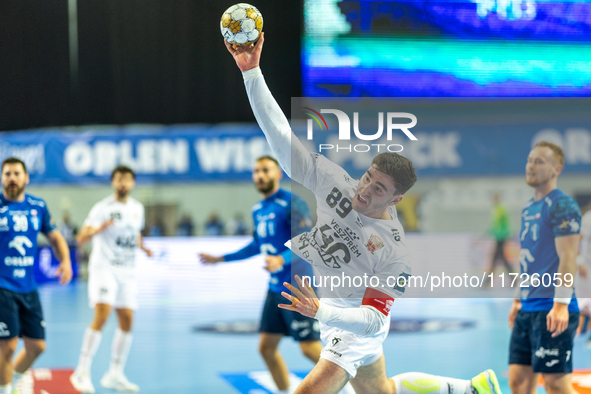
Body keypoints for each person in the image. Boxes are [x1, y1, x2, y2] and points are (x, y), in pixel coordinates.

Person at [224, 34, 502, 394]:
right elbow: (280, 136)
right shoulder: (335, 182)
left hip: (355, 327)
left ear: (396, 200)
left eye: (379, 189)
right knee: (382, 391)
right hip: (330, 313)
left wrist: (320, 311)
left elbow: (372, 321)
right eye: (368, 177)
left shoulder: (394, 251)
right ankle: (471, 389)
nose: (365, 190)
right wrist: (252, 73)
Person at [200, 156, 323, 394]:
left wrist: (281, 259)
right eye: (256, 171)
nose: (260, 175)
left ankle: (351, 386)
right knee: (266, 348)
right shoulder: (257, 210)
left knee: (309, 349)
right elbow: (256, 245)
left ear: (278, 175)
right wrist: (221, 259)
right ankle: (285, 391)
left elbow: (306, 242)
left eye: (265, 170)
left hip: (298, 287)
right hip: (275, 288)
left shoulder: (292, 203)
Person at [70, 165, 152, 393]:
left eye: (127, 179)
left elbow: (136, 233)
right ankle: (81, 371)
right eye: (118, 179)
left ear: (133, 183)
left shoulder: (137, 208)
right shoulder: (103, 208)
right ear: (113, 183)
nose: (123, 183)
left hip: (128, 271)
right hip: (104, 268)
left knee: (127, 319)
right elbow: (80, 238)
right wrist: (99, 228)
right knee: (103, 314)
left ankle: (114, 374)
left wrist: (144, 247)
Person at [507, 142, 582, 394]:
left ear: (556, 169)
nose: (531, 166)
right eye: (529, 160)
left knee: (555, 384)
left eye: (539, 161)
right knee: (518, 381)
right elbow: (530, 259)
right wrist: (518, 299)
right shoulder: (529, 208)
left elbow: (568, 256)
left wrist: (560, 304)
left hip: (551, 308)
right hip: (527, 308)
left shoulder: (563, 205)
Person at [0, 157, 73, 394]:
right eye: (7, 174)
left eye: (16, 173)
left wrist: (65, 261)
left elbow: (54, 237)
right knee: (7, 347)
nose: (12, 178)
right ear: (2, 178)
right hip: (2, 286)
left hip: (28, 288)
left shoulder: (37, 206)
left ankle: (13, 383)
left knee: (37, 346)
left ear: (26, 178)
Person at [484, 193, 513, 284]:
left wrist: (506, 234)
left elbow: (507, 223)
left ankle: (487, 281)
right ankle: (514, 280)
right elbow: (494, 225)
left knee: (497, 259)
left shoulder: (501, 209)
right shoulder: (495, 209)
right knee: (501, 259)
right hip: (497, 237)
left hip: (502, 237)